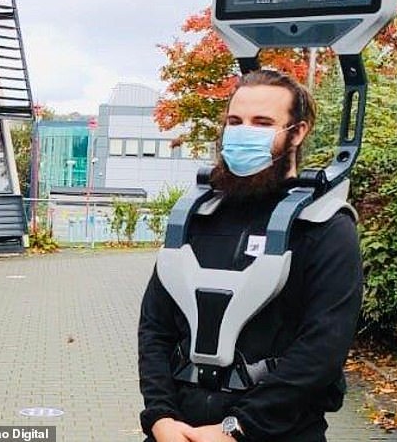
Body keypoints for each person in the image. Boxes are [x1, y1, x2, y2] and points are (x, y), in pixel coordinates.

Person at [138, 69, 363, 442]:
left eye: (262, 123)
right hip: (177, 430)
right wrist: (160, 416)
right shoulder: (196, 217)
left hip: (276, 433)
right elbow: (155, 327)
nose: (244, 132)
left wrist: (236, 428)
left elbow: (322, 349)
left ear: (298, 132)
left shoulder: (324, 226)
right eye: (235, 121)